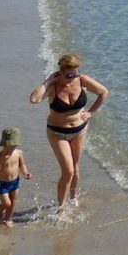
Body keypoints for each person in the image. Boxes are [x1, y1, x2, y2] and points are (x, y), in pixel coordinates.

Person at [28, 53, 108, 205]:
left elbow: (103, 92)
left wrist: (91, 112)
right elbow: (34, 99)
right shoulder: (53, 86)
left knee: (75, 169)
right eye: (69, 73)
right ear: (61, 70)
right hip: (57, 133)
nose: (73, 76)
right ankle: (61, 208)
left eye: (75, 72)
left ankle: (73, 198)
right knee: (68, 171)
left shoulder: (82, 80)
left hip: (79, 130)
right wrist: (48, 80)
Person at [0, 128, 32, 225]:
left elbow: (22, 165)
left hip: (15, 182)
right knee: (7, 203)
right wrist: (1, 159)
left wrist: (26, 172)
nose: (9, 149)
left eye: (13, 146)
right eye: (7, 146)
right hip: (3, 184)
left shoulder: (18, 153)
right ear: (3, 144)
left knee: (13, 203)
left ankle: (8, 219)